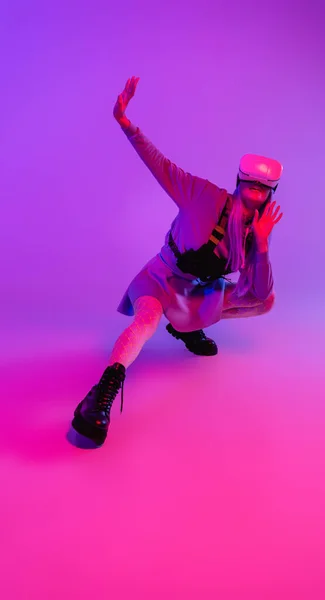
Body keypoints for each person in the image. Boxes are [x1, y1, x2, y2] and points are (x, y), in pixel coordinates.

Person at [71, 76, 284, 446]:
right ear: (237, 182)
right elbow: (160, 164)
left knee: (266, 301)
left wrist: (262, 244)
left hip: (195, 294)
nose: (254, 196)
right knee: (145, 323)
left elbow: (259, 290)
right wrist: (126, 123)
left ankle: (186, 327)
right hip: (160, 278)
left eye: (262, 191)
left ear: (270, 195)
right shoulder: (202, 194)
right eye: (250, 186)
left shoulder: (254, 232)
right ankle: (99, 398)